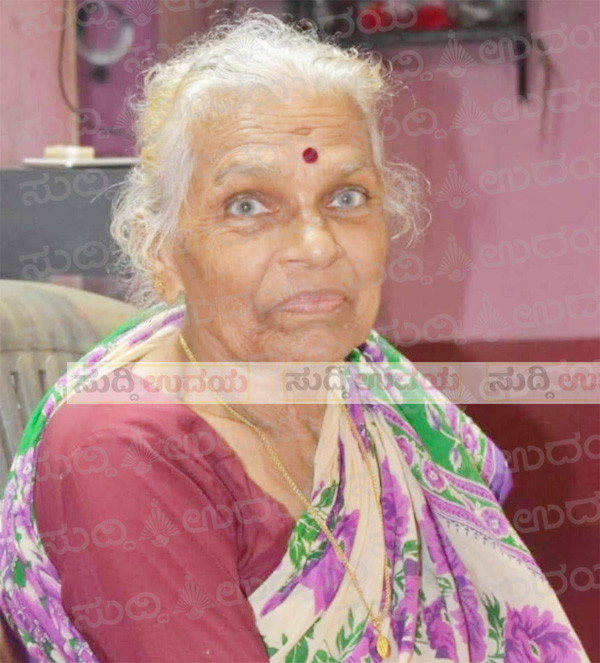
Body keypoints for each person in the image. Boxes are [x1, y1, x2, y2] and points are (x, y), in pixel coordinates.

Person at [0, 9, 589, 663]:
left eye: (347, 197)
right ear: (159, 250)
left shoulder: (370, 386)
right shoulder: (118, 451)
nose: (316, 246)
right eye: (248, 204)